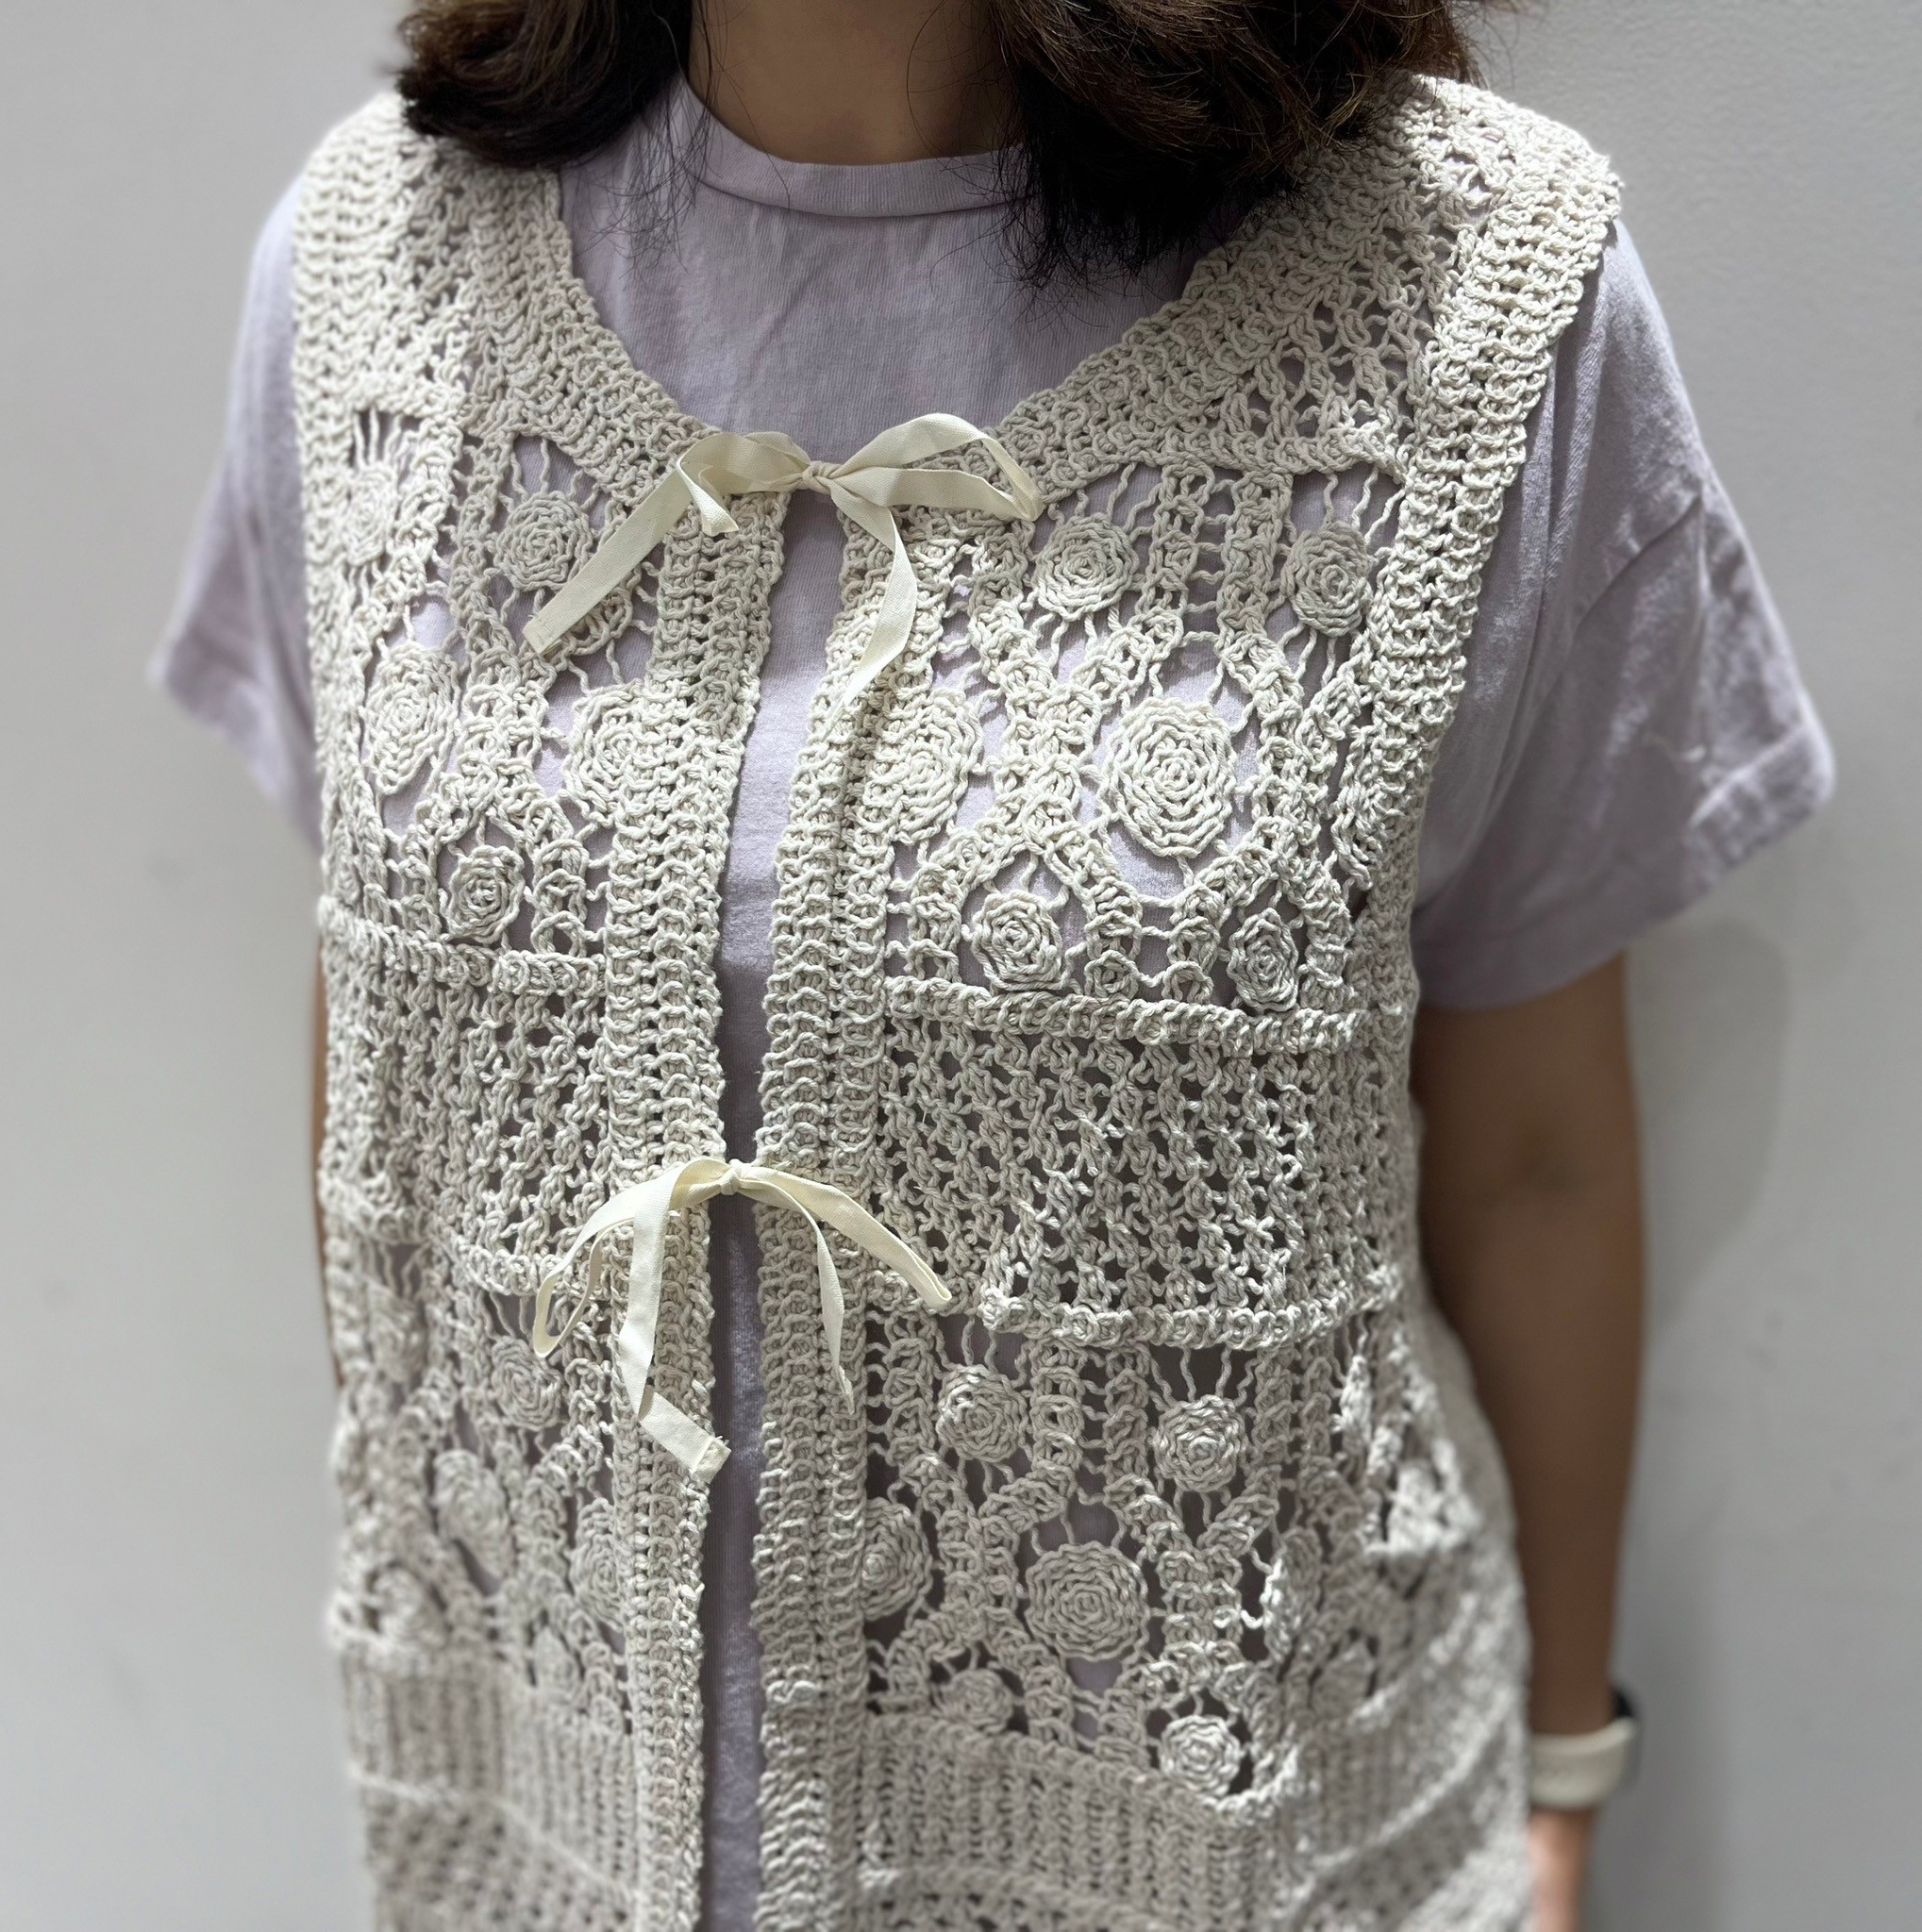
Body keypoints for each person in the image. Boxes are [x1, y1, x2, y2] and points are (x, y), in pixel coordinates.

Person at [155, 1, 1832, 1926]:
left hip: (1237, 1851)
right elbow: (391, 1095)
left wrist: (1561, 1786)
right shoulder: (374, 276)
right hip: (551, 1849)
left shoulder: (1470, 295)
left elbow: (1535, 1158)